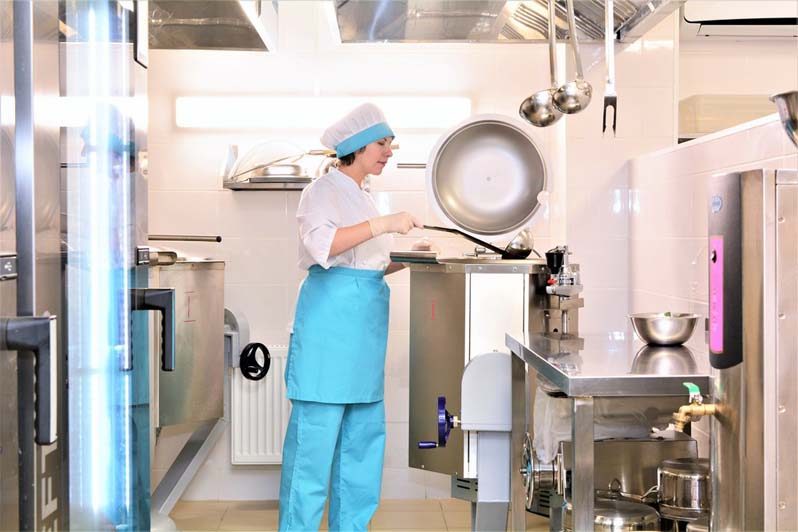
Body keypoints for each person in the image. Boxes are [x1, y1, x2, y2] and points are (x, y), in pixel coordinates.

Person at [279, 103, 422, 531]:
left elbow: (366, 264)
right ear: (357, 147)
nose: (389, 152)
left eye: (390, 144)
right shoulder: (321, 191)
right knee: (312, 455)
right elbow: (324, 246)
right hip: (329, 333)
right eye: (382, 143)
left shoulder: (363, 196)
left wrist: (411, 258)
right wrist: (384, 225)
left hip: (364, 336)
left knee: (361, 455)